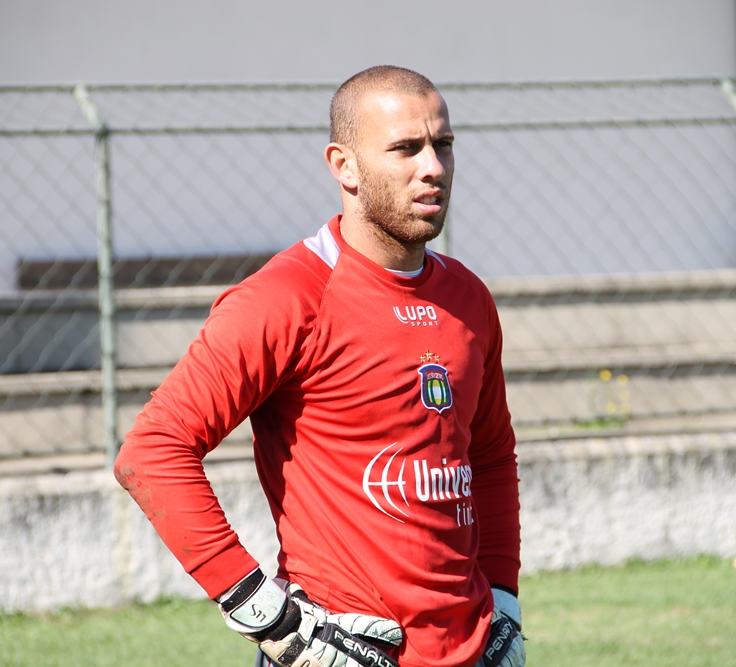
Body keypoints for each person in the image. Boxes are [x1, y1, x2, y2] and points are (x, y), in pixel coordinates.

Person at [114, 65, 523, 667]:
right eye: (405, 149)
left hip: (469, 651)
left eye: (443, 145)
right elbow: (152, 450)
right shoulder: (286, 297)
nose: (432, 166)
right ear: (344, 165)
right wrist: (268, 616)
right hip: (339, 649)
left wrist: (505, 603)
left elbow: (488, 457)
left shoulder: (468, 299)